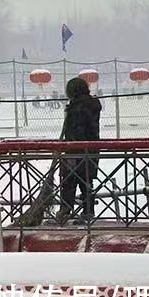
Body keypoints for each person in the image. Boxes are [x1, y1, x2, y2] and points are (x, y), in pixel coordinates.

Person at [57, 77, 102, 225]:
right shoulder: (91, 105)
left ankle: (65, 211)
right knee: (86, 182)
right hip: (91, 149)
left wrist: (69, 146)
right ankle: (87, 212)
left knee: (68, 181)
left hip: (76, 150)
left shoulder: (78, 108)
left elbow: (75, 130)